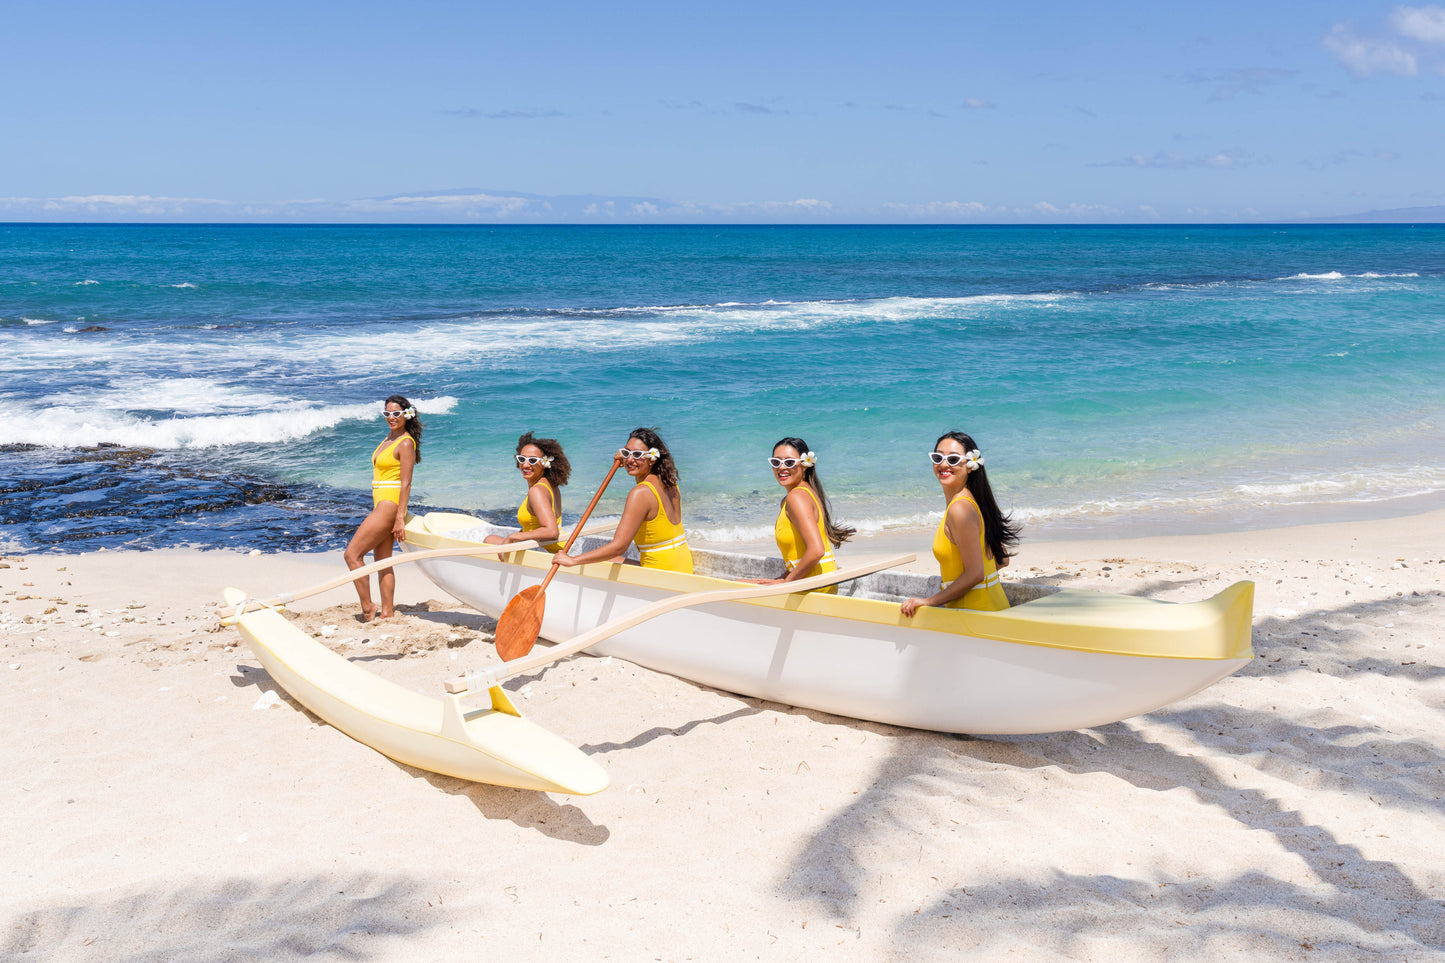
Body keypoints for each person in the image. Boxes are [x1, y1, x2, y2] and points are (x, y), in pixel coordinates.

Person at [901, 431, 1020, 616]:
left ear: (970, 465)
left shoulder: (960, 510)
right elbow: (1002, 558)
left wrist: (929, 601)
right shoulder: (974, 502)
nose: (943, 464)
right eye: (938, 457)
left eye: (954, 459)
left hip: (976, 615)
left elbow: (975, 574)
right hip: (991, 609)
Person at [553, 427, 694, 574]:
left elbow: (619, 547)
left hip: (661, 572)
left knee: (591, 562)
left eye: (638, 454)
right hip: (682, 564)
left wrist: (573, 560)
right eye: (627, 453)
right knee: (608, 560)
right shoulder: (669, 482)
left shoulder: (640, 493)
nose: (630, 459)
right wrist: (628, 457)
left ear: (652, 459)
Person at [344, 395, 421, 622]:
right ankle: (387, 612)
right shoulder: (388, 438)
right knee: (382, 560)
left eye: (396, 414)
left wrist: (400, 518)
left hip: (390, 505)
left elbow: (406, 483)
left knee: (352, 555)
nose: (391, 418)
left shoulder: (405, 443)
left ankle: (368, 607)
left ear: (406, 415)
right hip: (381, 502)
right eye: (387, 414)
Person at [746, 437, 854, 593]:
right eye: (776, 462)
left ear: (804, 465)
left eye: (789, 462)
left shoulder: (796, 498)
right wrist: (782, 578)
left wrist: (786, 583)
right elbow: (801, 554)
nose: (781, 467)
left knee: (736, 583)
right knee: (748, 583)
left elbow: (817, 550)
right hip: (818, 581)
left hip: (814, 587)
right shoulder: (806, 493)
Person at [484, 432, 570, 552]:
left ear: (545, 463)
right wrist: (518, 537)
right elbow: (534, 526)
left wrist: (514, 536)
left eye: (533, 460)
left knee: (489, 540)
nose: (525, 464)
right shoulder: (551, 485)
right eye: (522, 459)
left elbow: (551, 531)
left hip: (548, 552)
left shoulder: (537, 491)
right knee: (492, 538)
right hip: (558, 547)